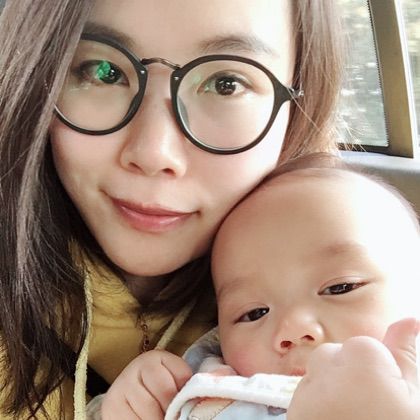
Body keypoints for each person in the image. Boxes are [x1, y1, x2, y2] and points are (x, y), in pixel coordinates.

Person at [0, 0, 345, 419]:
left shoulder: (355, 304)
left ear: (299, 108)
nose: (153, 153)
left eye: (226, 84)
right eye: (102, 71)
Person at [95, 158, 420, 420]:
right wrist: (125, 406)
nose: (292, 327)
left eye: (341, 287)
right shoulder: (210, 380)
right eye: (254, 313)